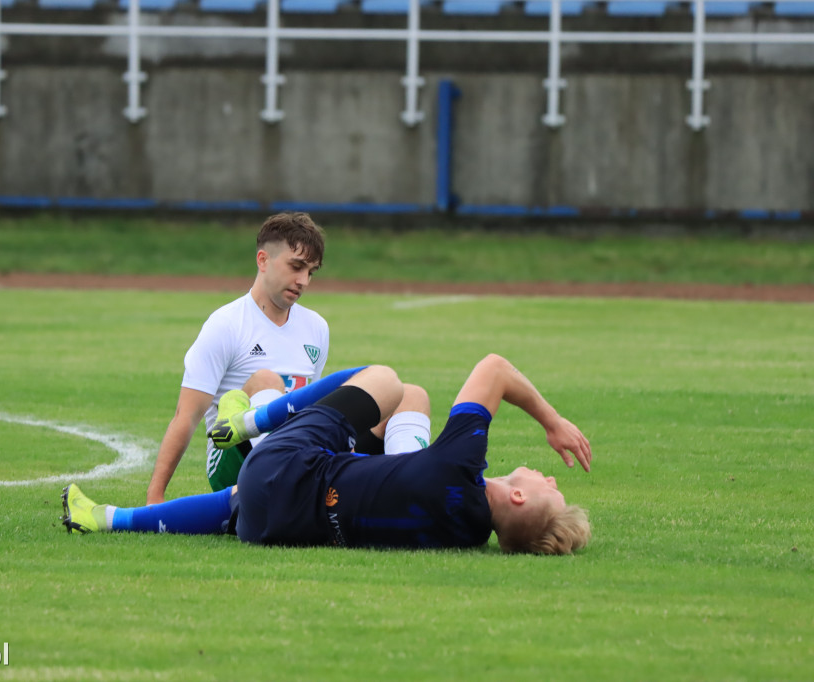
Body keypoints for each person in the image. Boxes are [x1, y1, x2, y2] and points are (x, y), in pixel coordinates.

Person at [63, 353, 593, 555]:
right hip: (271, 522)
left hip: (283, 466)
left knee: (383, 377)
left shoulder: (459, 466)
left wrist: (553, 421)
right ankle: (110, 519)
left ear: (519, 496)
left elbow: (494, 368)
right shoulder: (469, 534)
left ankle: (244, 421)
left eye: (550, 483)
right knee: (414, 401)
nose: (548, 473)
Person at [145, 212, 330, 504]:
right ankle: (289, 482)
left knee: (409, 395)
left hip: (297, 454)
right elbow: (187, 416)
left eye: (311, 271)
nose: (303, 280)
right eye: (296, 267)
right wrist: (154, 498)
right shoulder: (227, 324)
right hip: (232, 463)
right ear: (263, 260)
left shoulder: (317, 328)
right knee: (266, 380)